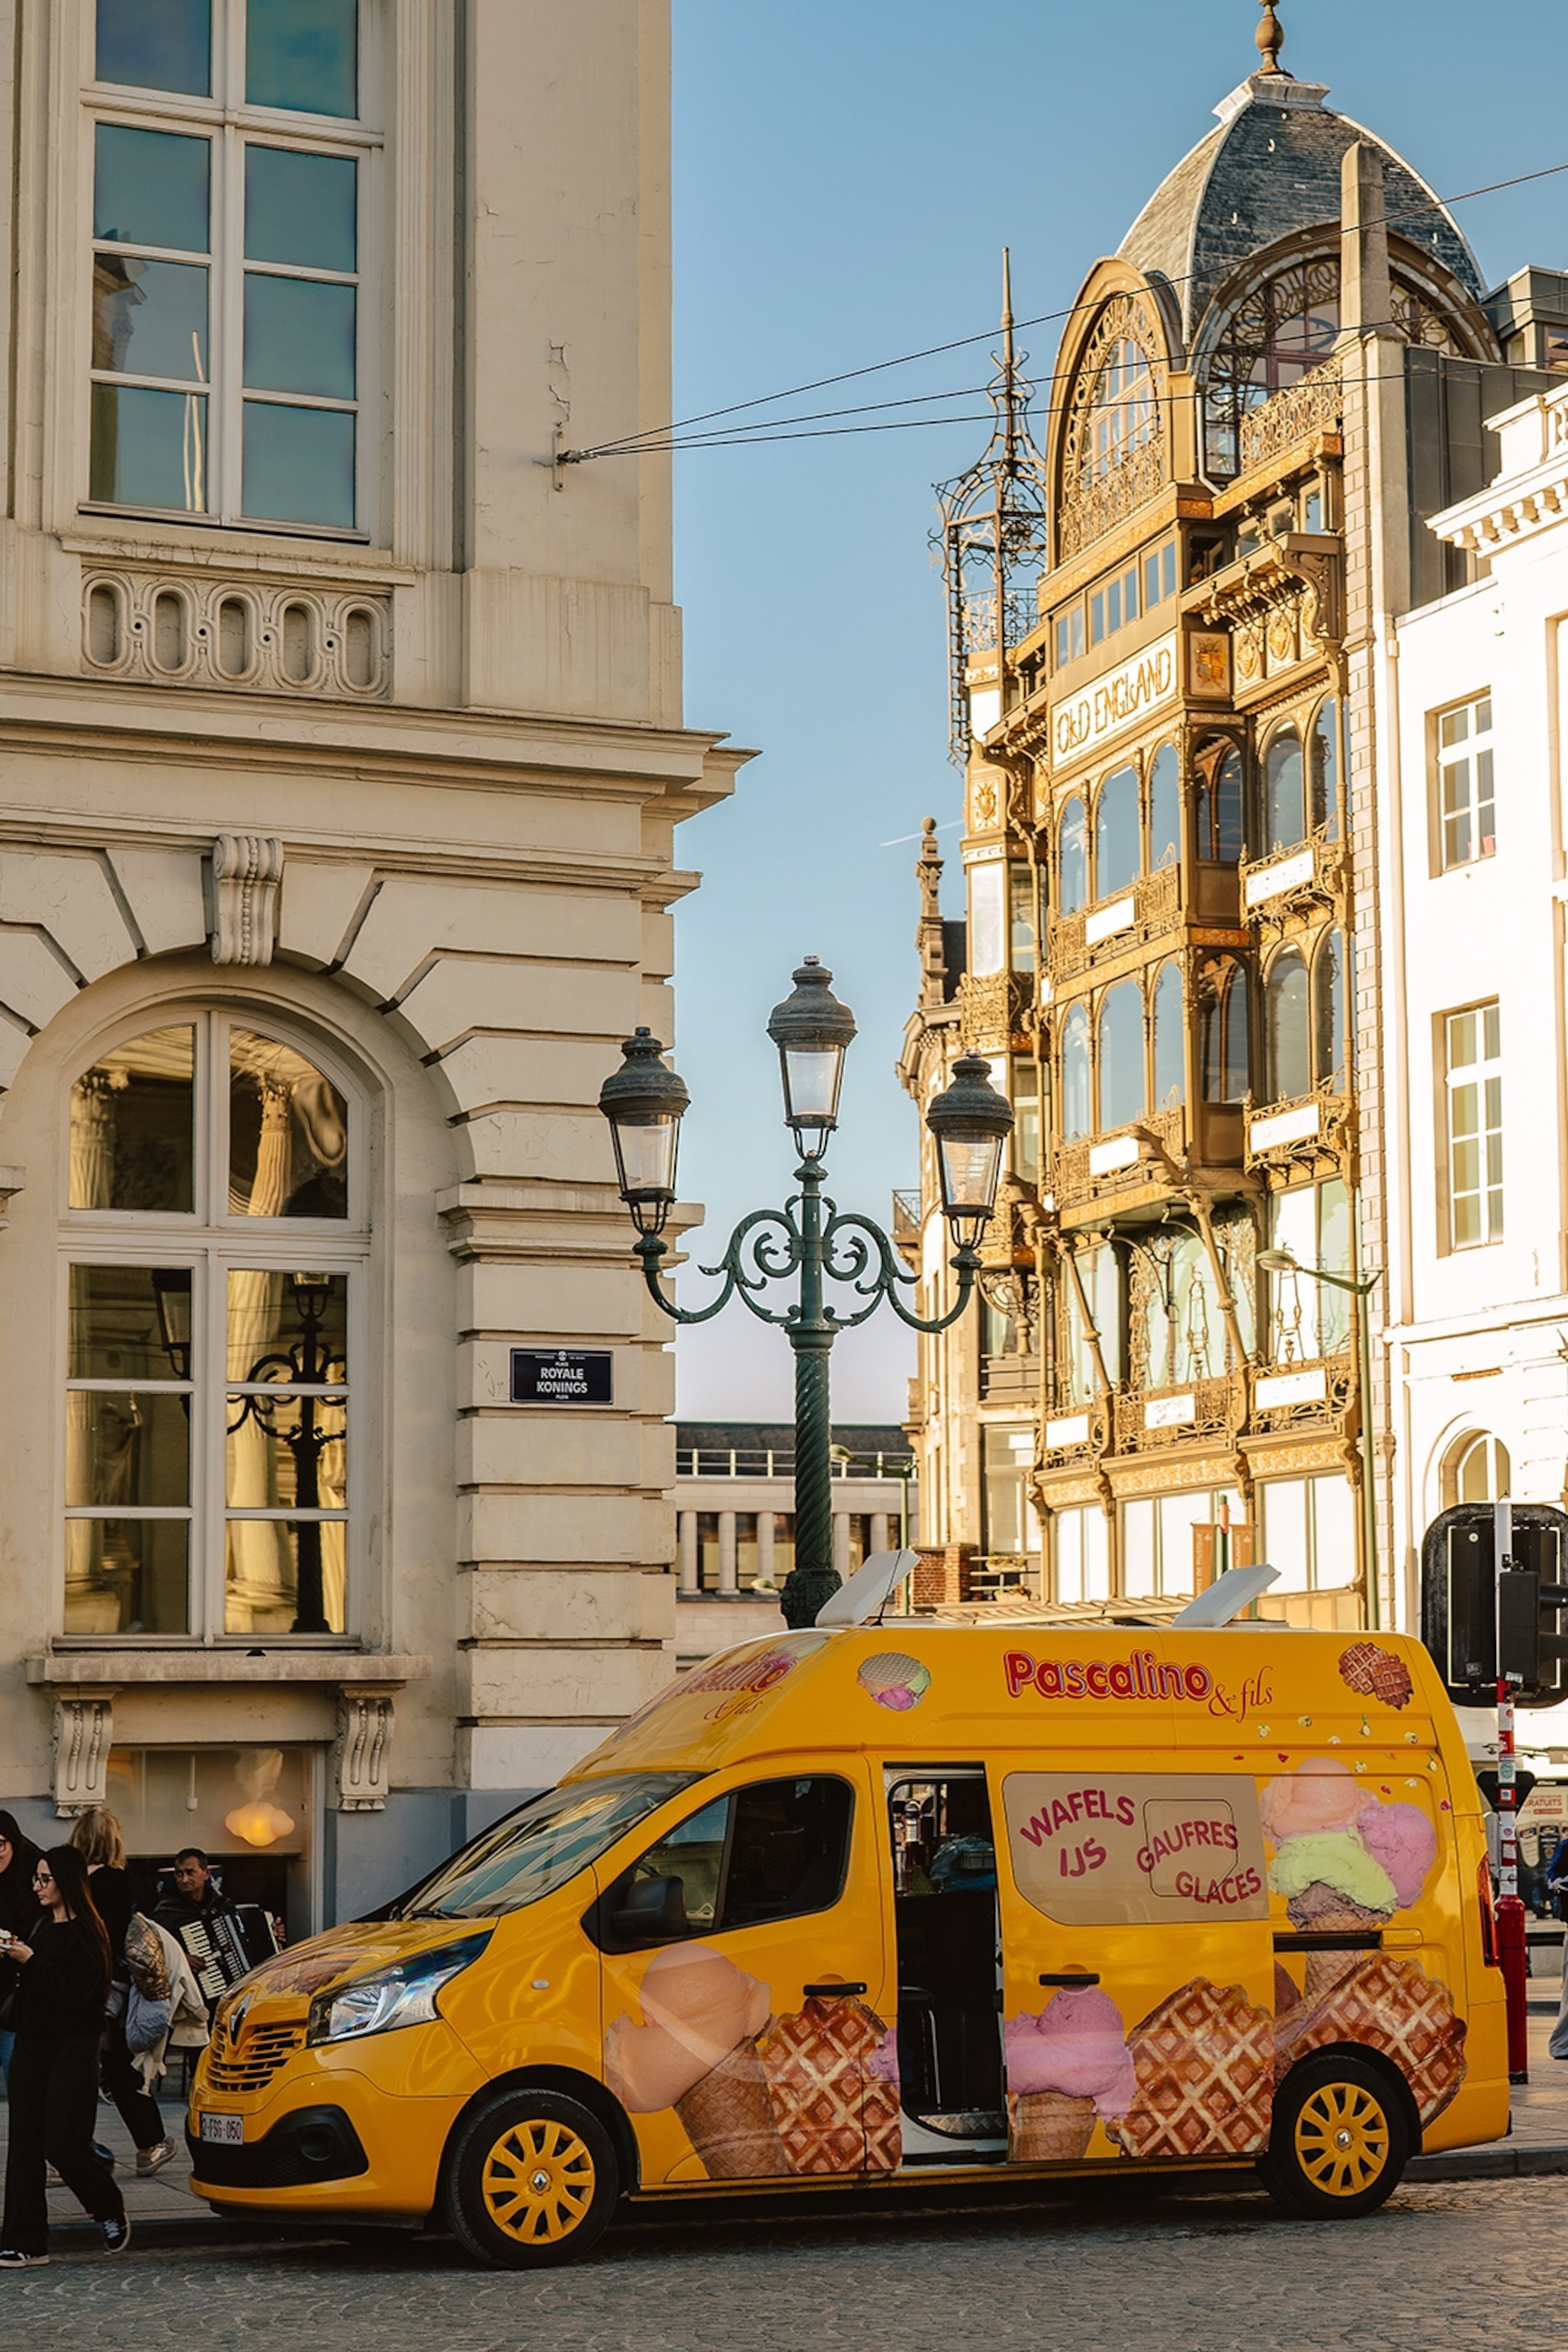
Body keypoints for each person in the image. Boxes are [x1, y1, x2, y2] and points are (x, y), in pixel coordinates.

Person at [0, 1847, 129, 2265]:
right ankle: (25, 2241)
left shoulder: (90, 1933)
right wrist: (17, 1954)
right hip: (31, 2043)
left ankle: (106, 2204)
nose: (37, 1886)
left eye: (45, 1879)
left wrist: (31, 1961)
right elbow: (36, 1985)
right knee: (24, 2145)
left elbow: (78, 1995)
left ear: (67, 1882)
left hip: (73, 2046)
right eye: (36, 1879)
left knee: (63, 2143)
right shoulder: (39, 1926)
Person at [67, 1808, 176, 2176]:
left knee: (72, 2069)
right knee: (119, 2069)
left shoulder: (66, 1881)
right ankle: (149, 2145)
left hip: (68, 1983)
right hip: (110, 1987)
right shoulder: (121, 1882)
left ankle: (65, 2156)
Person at [0, 1814, 44, 2088]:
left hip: (18, 1998)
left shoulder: (33, 1878)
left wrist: (15, 1947)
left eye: (0, 1844)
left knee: (23, 2086)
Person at [152, 1847, 237, 1940]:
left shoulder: (221, 1904)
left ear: (206, 1874)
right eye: (179, 1874)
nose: (184, 1880)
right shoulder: (166, 1912)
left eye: (190, 1873)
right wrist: (183, 1954)